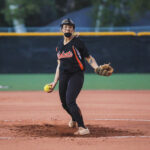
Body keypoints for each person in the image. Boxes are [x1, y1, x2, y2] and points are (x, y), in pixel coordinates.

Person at [48, 18, 109, 135]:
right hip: (64, 75)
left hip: (76, 74)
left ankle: (83, 128)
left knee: (70, 101)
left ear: (73, 30)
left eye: (70, 27)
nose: (67, 29)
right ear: (61, 29)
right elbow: (59, 64)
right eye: (65, 27)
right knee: (64, 103)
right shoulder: (59, 45)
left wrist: (96, 67)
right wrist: (54, 81)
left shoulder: (77, 42)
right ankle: (74, 118)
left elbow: (88, 57)